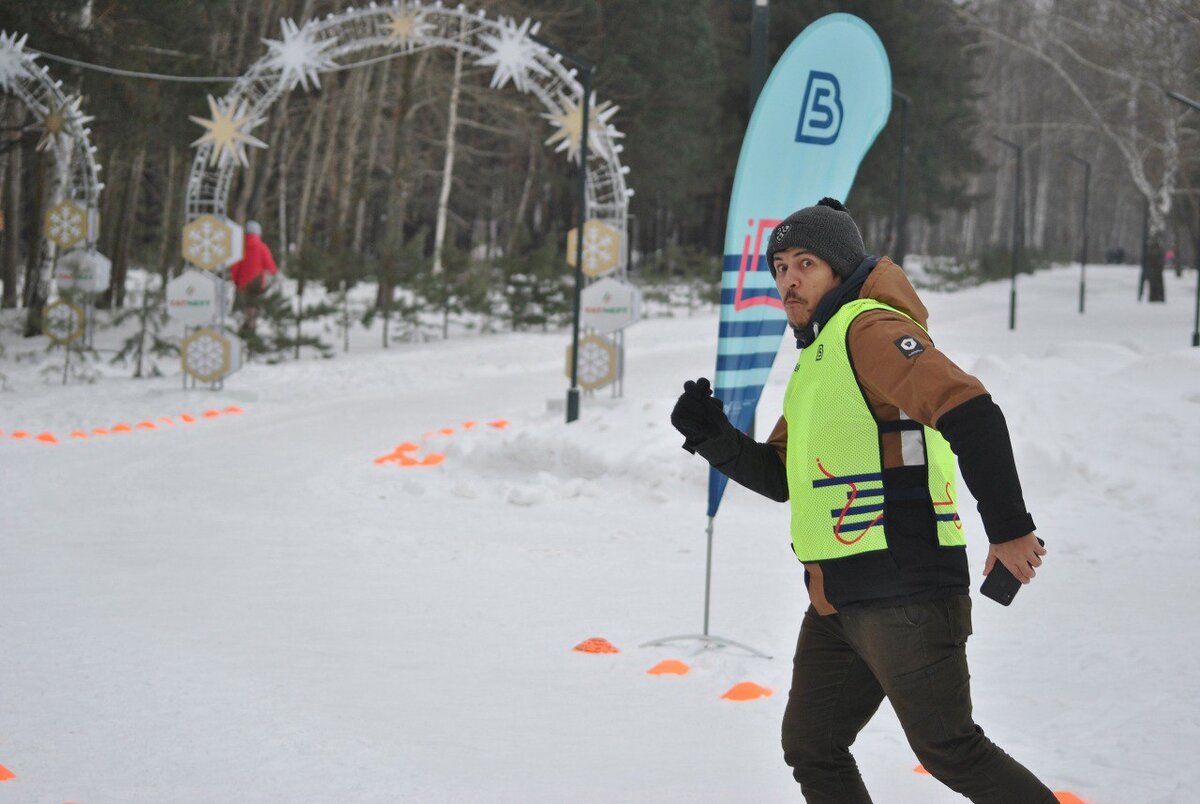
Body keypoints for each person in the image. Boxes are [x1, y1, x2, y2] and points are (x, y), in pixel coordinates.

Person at [670, 198, 1055, 803]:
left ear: (840, 268)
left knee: (949, 748)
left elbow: (972, 412)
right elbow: (783, 478)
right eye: (779, 266)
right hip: (838, 598)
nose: (789, 279)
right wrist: (713, 439)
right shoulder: (817, 359)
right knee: (812, 747)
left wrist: (1008, 528)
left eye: (806, 262)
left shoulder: (868, 329)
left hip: (904, 588)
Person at [229, 220, 278, 336]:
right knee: (254, 304)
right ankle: (252, 325)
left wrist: (235, 280)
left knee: (246, 305)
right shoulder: (262, 247)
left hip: (242, 283)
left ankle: (246, 325)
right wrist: (274, 272)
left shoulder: (239, 248)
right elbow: (270, 266)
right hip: (257, 283)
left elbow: (234, 266)